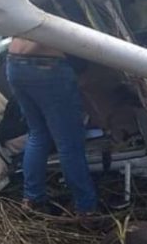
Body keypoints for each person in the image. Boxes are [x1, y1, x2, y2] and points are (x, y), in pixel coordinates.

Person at [5, 36, 98, 217]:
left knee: (38, 134)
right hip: (48, 66)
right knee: (69, 142)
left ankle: (32, 199)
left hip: (14, 63)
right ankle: (86, 208)